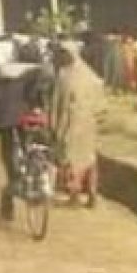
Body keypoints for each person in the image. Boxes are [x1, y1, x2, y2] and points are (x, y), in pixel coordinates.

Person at [0, 42, 51, 222]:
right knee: (33, 143)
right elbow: (44, 91)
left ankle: (12, 190)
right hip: (27, 117)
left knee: (9, 153)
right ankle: (37, 176)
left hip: (4, 118)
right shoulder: (37, 71)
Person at [50, 41, 106, 208]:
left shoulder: (64, 74)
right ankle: (92, 195)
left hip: (71, 123)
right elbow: (102, 106)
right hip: (88, 123)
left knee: (70, 158)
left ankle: (74, 195)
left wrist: (53, 124)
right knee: (89, 159)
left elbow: (56, 103)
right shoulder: (91, 75)